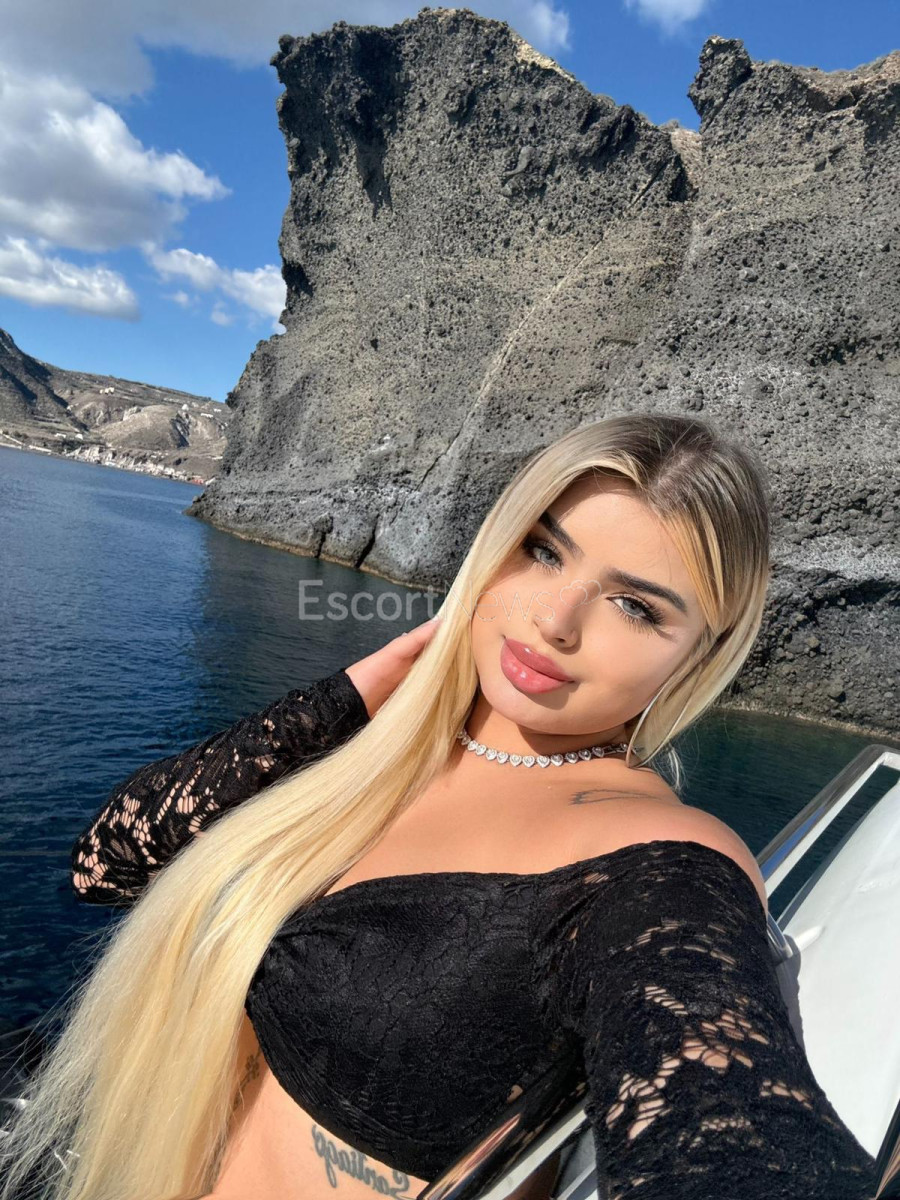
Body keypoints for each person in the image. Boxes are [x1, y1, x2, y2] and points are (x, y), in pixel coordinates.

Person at [1, 414, 878, 1200]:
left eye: (634, 606)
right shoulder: (369, 751)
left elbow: (728, 1125)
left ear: (698, 657)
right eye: (543, 551)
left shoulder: (661, 865)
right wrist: (345, 699)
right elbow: (106, 865)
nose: (555, 620)